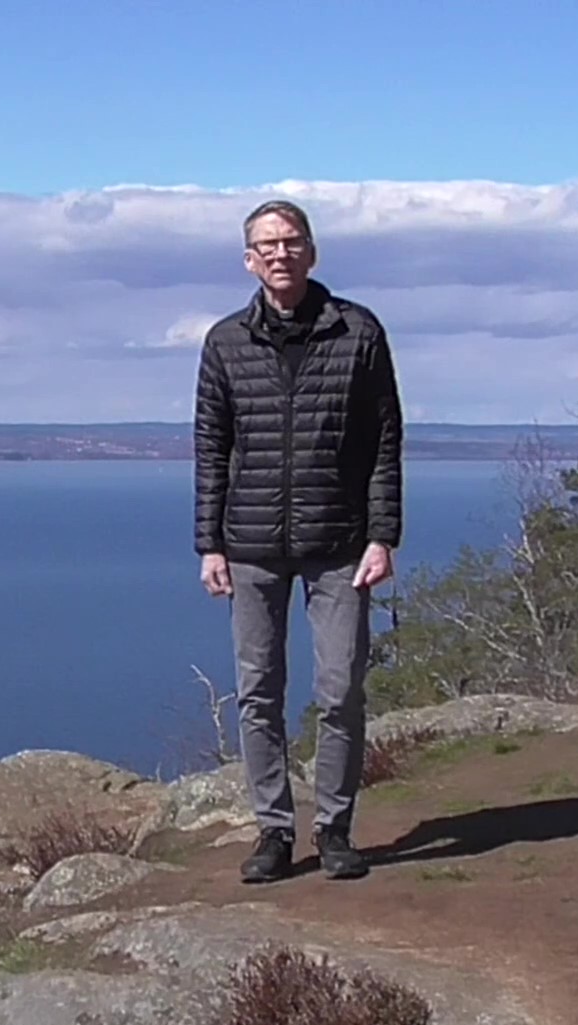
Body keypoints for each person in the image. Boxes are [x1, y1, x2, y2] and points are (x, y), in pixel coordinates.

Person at [192, 198, 404, 883]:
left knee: (340, 689)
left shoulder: (358, 332)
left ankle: (335, 829)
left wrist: (383, 534)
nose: (279, 254)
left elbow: (384, 441)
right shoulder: (225, 343)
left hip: (340, 542)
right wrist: (210, 544)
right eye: (266, 245)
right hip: (250, 543)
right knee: (259, 692)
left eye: (291, 241)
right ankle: (274, 832)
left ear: (311, 251)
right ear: (249, 260)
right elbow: (211, 447)